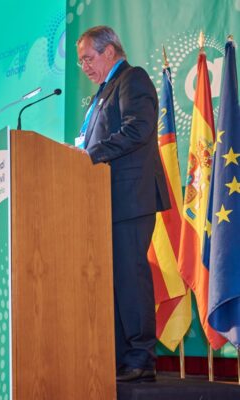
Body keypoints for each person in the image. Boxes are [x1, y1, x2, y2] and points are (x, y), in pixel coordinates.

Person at [75, 26, 170, 383]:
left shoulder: (132, 79)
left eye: (88, 58)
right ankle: (117, 357)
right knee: (113, 282)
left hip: (131, 197)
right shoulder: (102, 93)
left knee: (130, 277)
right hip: (105, 201)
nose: (84, 66)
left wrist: (89, 155)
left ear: (110, 51)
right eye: (80, 61)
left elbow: (137, 129)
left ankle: (141, 356)